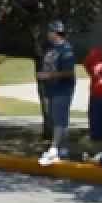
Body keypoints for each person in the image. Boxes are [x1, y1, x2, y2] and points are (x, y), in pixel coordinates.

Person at [37, 21, 77, 166]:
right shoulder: (51, 49)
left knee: (59, 119)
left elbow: (69, 72)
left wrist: (49, 76)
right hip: (52, 89)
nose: (48, 34)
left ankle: (53, 149)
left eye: (49, 31)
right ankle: (63, 149)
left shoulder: (66, 50)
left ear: (55, 33)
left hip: (63, 89)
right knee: (59, 119)